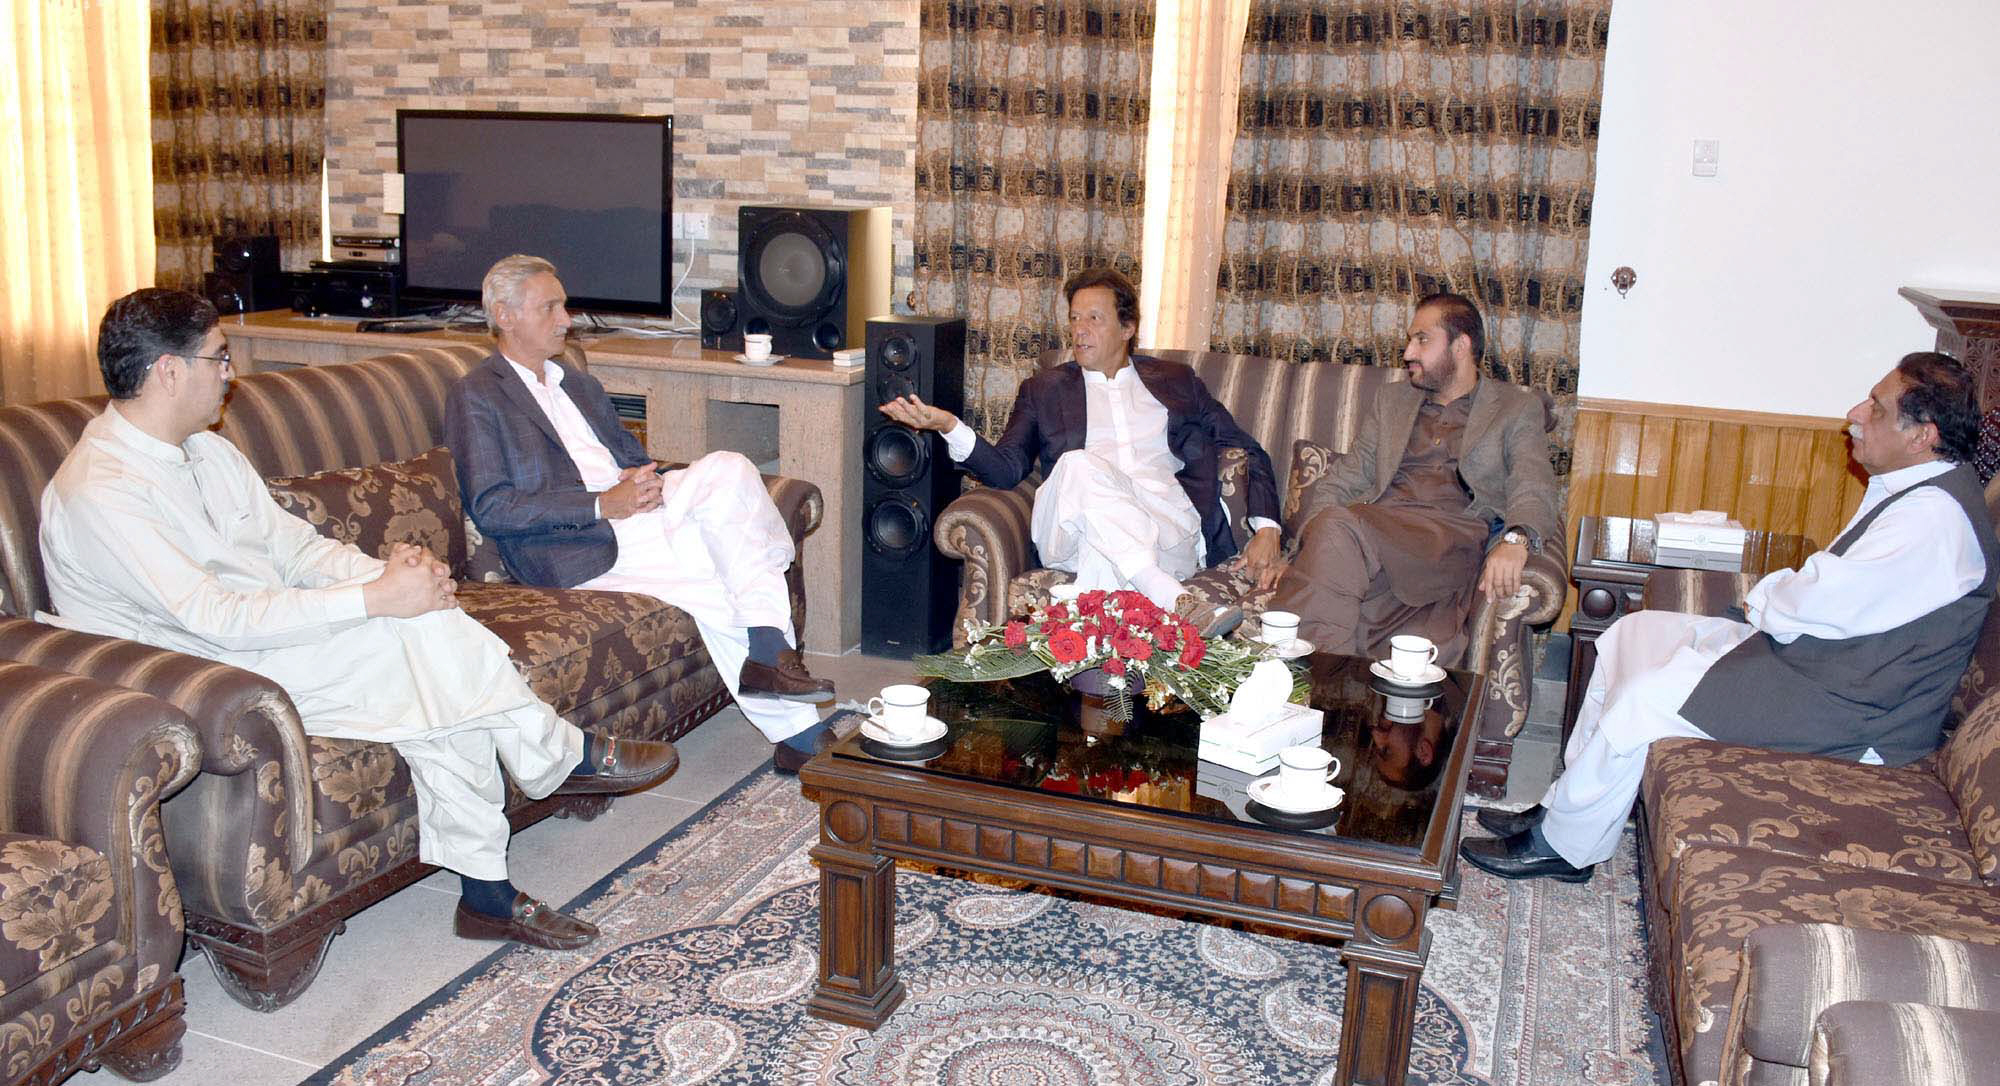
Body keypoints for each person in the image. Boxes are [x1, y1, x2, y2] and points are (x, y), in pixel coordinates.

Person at [38, 288, 678, 951]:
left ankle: (503, 864)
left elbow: (295, 549)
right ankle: (545, 779)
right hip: (198, 677)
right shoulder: (101, 491)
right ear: (168, 370)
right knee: (422, 643)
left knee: (428, 640)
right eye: (218, 358)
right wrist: (377, 600)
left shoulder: (207, 453)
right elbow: (213, 616)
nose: (231, 373)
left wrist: (386, 575)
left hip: (263, 637)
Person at [1462, 352, 1998, 883]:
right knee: (1631, 633)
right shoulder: (1919, 493)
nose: (1855, 413)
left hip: (1853, 712)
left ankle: (1565, 847)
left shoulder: (1935, 522)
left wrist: (1764, 597)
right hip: (1824, 665)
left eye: (1876, 407)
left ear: (1923, 435)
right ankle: (1564, 806)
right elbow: (1824, 598)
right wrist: (1773, 600)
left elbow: (1820, 602)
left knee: (1646, 699)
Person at [443, 255, 836, 776]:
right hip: (576, 542)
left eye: (563, 305)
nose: (567, 319)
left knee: (729, 467)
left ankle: (774, 670)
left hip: (636, 512)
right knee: (722, 563)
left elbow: (627, 454)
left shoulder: (575, 383)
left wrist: (640, 477)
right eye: (551, 307)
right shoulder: (477, 394)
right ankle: (789, 706)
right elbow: (492, 506)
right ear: (504, 315)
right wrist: (603, 503)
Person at [878, 267, 1282, 634]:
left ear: (1127, 328)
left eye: (1094, 318)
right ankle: (1176, 601)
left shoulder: (1177, 381)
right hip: (1069, 530)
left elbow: (1245, 447)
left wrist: (1267, 528)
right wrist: (949, 426)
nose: (1079, 330)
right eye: (1074, 318)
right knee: (1077, 465)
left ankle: (1104, 627)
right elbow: (1004, 470)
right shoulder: (1044, 388)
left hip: (1167, 534)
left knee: (1107, 558)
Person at [1263, 293, 1562, 662]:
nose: (1407, 353)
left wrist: (1517, 539)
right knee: (1336, 536)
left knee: (1339, 531)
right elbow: (1345, 479)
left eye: (1422, 339)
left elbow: (1534, 482)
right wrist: (1301, 550)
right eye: (1410, 340)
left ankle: (1308, 677)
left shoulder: (1516, 408)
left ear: (1461, 345)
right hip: (1380, 531)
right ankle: (1322, 688)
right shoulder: (1391, 401)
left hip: (1450, 536)